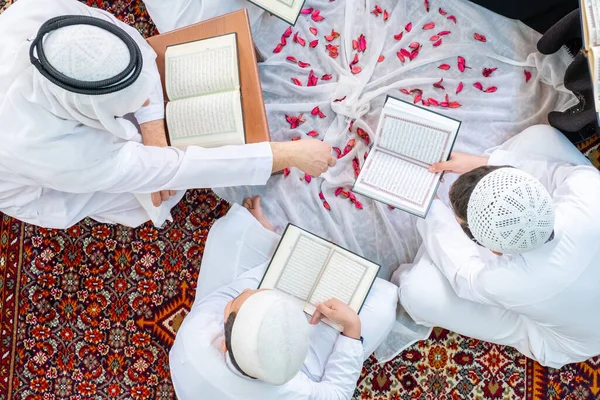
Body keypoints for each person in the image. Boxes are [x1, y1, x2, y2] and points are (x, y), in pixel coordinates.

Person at [0, 0, 335, 229]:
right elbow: (178, 168)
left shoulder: (34, 12)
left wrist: (154, 134)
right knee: (153, 198)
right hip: (39, 185)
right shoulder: (55, 156)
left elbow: (132, 47)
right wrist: (288, 154)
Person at [394, 124, 600, 368]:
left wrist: (429, 202)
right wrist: (482, 161)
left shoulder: (508, 283)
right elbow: (554, 171)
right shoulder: (587, 186)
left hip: (575, 338)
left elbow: (464, 275)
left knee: (415, 290)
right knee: (542, 137)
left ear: (492, 251)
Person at [170, 196, 398, 399]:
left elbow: (239, 290)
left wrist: (270, 243)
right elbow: (336, 394)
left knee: (233, 229)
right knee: (384, 303)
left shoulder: (199, 327)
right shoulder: (289, 390)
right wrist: (351, 329)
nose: (249, 292)